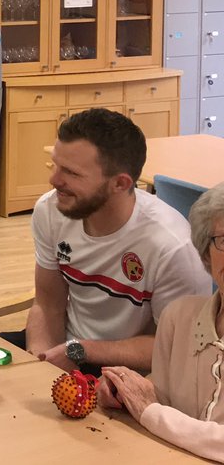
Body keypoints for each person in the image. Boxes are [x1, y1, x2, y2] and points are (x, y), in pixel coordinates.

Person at [22, 108, 210, 373]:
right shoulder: (51, 210)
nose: (54, 180)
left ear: (120, 184)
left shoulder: (173, 248)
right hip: (68, 352)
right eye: (56, 165)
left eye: (71, 173)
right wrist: (41, 365)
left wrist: (81, 350)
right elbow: (47, 305)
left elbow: (177, 349)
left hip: (130, 374)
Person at [98, 183, 224, 461]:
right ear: (206, 252)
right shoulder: (178, 317)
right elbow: (162, 396)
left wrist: (151, 412)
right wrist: (125, 392)